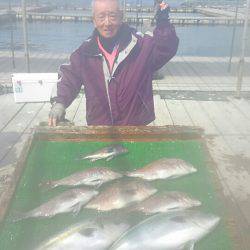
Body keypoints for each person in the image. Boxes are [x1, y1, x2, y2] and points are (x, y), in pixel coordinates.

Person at [48, 0, 179, 126]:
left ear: (121, 17)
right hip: (100, 127)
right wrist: (59, 103)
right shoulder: (84, 53)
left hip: (137, 127)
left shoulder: (141, 45)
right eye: (101, 16)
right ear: (93, 20)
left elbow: (167, 46)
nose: (107, 22)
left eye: (112, 16)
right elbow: (68, 77)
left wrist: (163, 20)